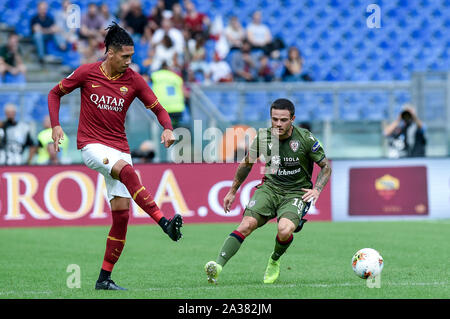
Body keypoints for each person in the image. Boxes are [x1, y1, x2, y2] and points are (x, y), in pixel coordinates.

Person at [47, 23, 183, 291]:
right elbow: (55, 93)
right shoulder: (87, 73)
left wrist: (167, 128)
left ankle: (104, 279)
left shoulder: (133, 79)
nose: (129, 62)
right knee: (128, 172)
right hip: (91, 146)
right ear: (109, 53)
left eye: (131, 56)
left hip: (119, 147)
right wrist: (56, 124)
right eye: (125, 57)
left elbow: (158, 108)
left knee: (121, 216)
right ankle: (164, 223)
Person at [204, 98, 332, 284]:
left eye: (283, 120)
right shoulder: (264, 137)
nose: (278, 124)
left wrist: (317, 189)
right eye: (274, 119)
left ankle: (274, 260)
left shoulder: (305, 139)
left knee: (284, 229)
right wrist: (232, 191)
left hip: (296, 192)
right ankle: (217, 267)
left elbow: (326, 167)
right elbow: (246, 164)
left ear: (293, 119)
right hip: (270, 188)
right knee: (246, 224)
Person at [150, 62, 185, 128]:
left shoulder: (155, 75)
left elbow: (144, 80)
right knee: (175, 127)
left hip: (163, 107)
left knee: (162, 127)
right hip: (177, 107)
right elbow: (183, 91)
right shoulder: (176, 77)